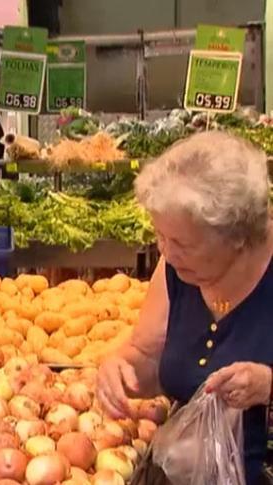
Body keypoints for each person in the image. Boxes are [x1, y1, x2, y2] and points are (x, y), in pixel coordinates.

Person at [96, 131, 273, 484]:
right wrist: (120, 370)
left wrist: (268, 386)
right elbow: (147, 357)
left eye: (181, 243)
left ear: (237, 236)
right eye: (161, 237)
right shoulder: (177, 268)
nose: (167, 252)